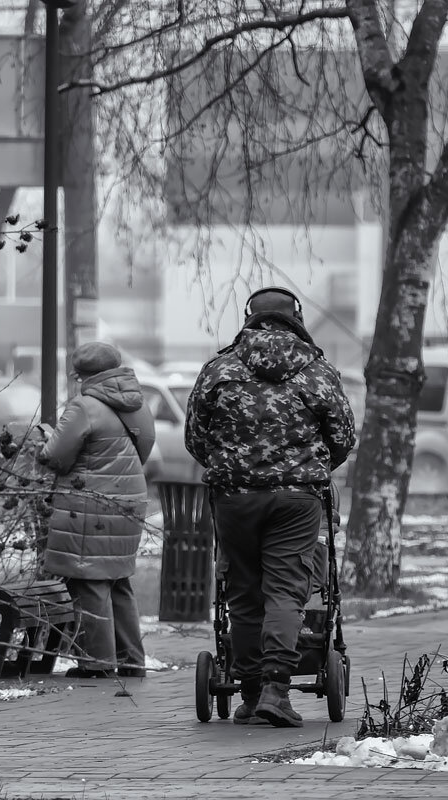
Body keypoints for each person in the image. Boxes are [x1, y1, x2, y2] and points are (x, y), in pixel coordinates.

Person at [185, 286, 355, 727]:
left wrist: (231, 469)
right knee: (286, 590)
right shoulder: (317, 370)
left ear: (249, 319)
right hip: (297, 500)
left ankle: (250, 690)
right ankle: (277, 691)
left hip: (234, 499)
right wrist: (309, 469)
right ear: (295, 318)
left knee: (243, 592)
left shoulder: (218, 368)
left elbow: (195, 437)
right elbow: (342, 436)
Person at [37, 341, 156, 679]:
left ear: (81, 375)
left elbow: (57, 457)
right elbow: (142, 449)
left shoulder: (84, 406)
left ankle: (97, 664)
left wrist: (44, 442)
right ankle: (131, 661)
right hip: (129, 499)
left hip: (89, 503)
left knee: (88, 582)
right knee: (118, 581)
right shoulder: (138, 404)